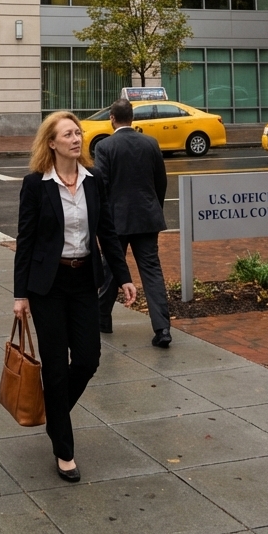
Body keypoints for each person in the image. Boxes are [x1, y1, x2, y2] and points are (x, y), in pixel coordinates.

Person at [13, 110, 136, 482]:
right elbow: (26, 241)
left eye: (78, 132)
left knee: (87, 358)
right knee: (53, 364)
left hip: (84, 280)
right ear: (51, 142)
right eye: (68, 134)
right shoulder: (36, 184)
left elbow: (108, 232)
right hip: (47, 286)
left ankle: (55, 410)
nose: (76, 138)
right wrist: (20, 295)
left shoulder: (93, 179)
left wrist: (124, 277)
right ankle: (64, 451)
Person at [94, 98, 171, 348]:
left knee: (112, 269)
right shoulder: (150, 143)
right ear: (132, 118)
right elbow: (161, 181)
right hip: (147, 217)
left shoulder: (105, 147)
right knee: (151, 271)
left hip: (117, 220)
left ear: (112, 119)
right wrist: (155, 208)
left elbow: (101, 186)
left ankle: (102, 319)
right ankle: (162, 329)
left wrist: (100, 221)